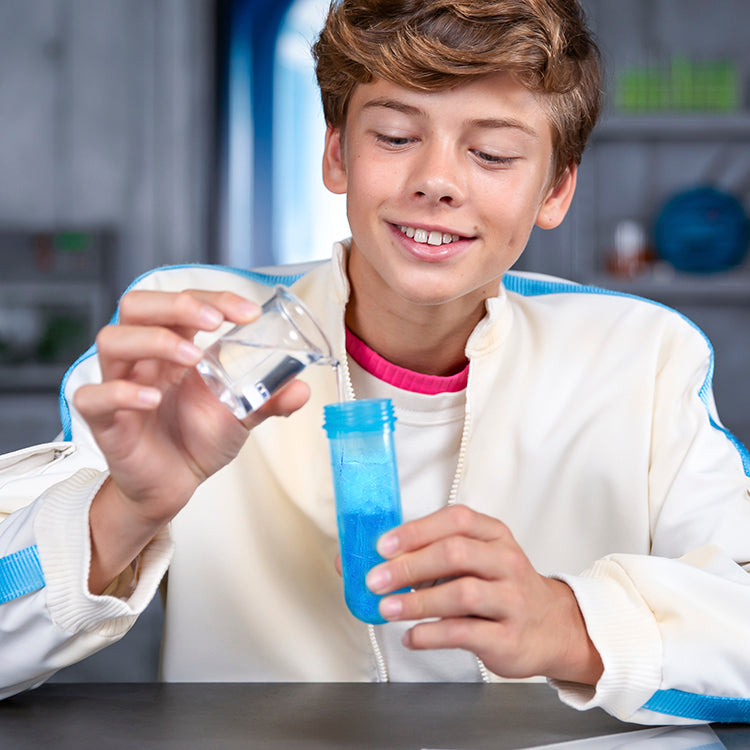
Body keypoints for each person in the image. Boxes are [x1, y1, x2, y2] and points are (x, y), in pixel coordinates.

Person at [1, 0, 749, 725]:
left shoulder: (641, 356)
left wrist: (573, 625)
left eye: (491, 153)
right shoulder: (203, 345)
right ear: (336, 153)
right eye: (394, 136)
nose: (437, 180)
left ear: (555, 187)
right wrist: (129, 509)